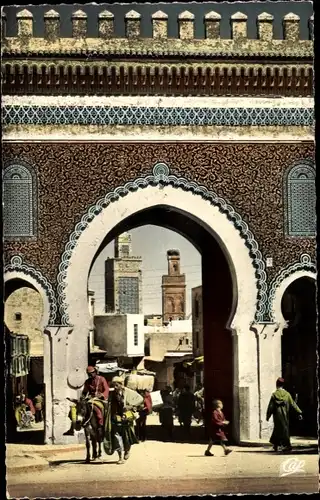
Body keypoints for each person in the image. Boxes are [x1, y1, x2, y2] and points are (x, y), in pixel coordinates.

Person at [104, 376, 143, 464]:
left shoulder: (129, 392)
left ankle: (127, 450)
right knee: (117, 439)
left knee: (127, 438)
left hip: (126, 419)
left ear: (121, 384)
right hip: (115, 419)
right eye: (114, 385)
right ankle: (120, 457)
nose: (115, 387)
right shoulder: (111, 394)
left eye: (116, 385)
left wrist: (131, 406)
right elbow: (108, 404)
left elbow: (140, 399)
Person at [64, 366, 109, 436]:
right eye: (89, 374)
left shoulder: (101, 379)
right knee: (77, 409)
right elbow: (85, 392)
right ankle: (72, 428)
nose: (91, 375)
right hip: (90, 399)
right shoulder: (87, 382)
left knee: (97, 410)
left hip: (100, 399)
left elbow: (106, 389)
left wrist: (102, 395)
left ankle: (100, 426)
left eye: (92, 373)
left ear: (95, 372)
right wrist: (82, 398)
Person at [266, 377, 303, 452]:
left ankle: (276, 445)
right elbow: (293, 404)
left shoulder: (274, 395)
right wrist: (299, 412)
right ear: (283, 385)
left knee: (277, 429)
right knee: (285, 430)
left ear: (277, 384)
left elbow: (271, 406)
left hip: (277, 416)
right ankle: (287, 445)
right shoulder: (287, 395)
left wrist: (268, 415)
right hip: (285, 415)